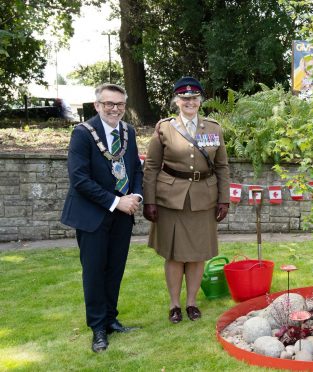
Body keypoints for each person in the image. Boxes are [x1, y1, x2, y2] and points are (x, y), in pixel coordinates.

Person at [60, 83, 143, 352]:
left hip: (122, 216)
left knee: (115, 270)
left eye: (119, 104)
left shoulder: (128, 132)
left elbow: (136, 171)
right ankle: (97, 328)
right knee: (95, 273)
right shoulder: (82, 134)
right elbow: (79, 179)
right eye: (109, 104)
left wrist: (137, 197)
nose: (115, 109)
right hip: (92, 216)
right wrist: (117, 202)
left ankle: (110, 320)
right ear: (97, 105)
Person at [142, 77, 230, 324]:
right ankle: (174, 304)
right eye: (184, 98)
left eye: (194, 98)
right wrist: (149, 201)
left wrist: (225, 199)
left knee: (197, 253)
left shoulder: (213, 128)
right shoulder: (164, 127)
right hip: (171, 200)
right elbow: (151, 166)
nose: (189, 102)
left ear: (200, 101)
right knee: (174, 254)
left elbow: (222, 166)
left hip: (204, 198)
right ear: (177, 101)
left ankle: (191, 302)